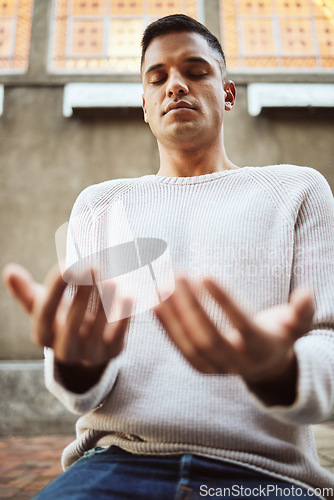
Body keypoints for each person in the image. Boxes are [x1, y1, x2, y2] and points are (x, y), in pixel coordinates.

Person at [3, 14, 334, 500]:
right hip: (115, 464)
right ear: (144, 104)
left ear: (227, 92)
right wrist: (77, 366)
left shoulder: (297, 190)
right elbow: (83, 386)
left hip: (263, 475)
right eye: (157, 77)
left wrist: (281, 370)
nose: (174, 85)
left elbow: (327, 341)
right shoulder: (102, 205)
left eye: (195, 71)